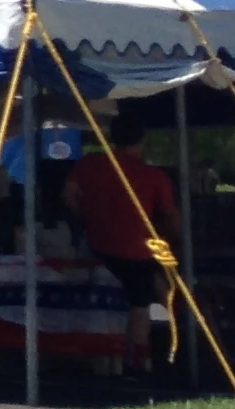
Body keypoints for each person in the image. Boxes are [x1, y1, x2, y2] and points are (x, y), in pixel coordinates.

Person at [67, 115, 180, 362]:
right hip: (135, 252)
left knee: (158, 285)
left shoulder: (90, 164)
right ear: (143, 140)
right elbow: (171, 216)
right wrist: (173, 238)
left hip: (97, 247)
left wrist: (86, 215)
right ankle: (141, 361)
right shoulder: (152, 175)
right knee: (143, 302)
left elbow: (70, 194)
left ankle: (172, 338)